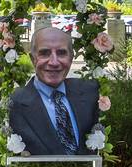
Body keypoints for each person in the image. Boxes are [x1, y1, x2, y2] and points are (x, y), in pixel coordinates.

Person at [8, 27, 100, 156]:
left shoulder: (92, 92)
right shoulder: (14, 103)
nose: (54, 62)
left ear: (71, 57)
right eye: (44, 53)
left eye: (61, 53)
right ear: (32, 58)